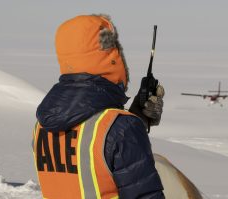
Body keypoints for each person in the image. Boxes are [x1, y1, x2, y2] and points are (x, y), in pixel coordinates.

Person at [32, 14, 165, 199]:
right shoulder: (122, 128)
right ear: (110, 56)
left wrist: (136, 119)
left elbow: (93, 158)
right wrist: (131, 127)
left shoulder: (42, 127)